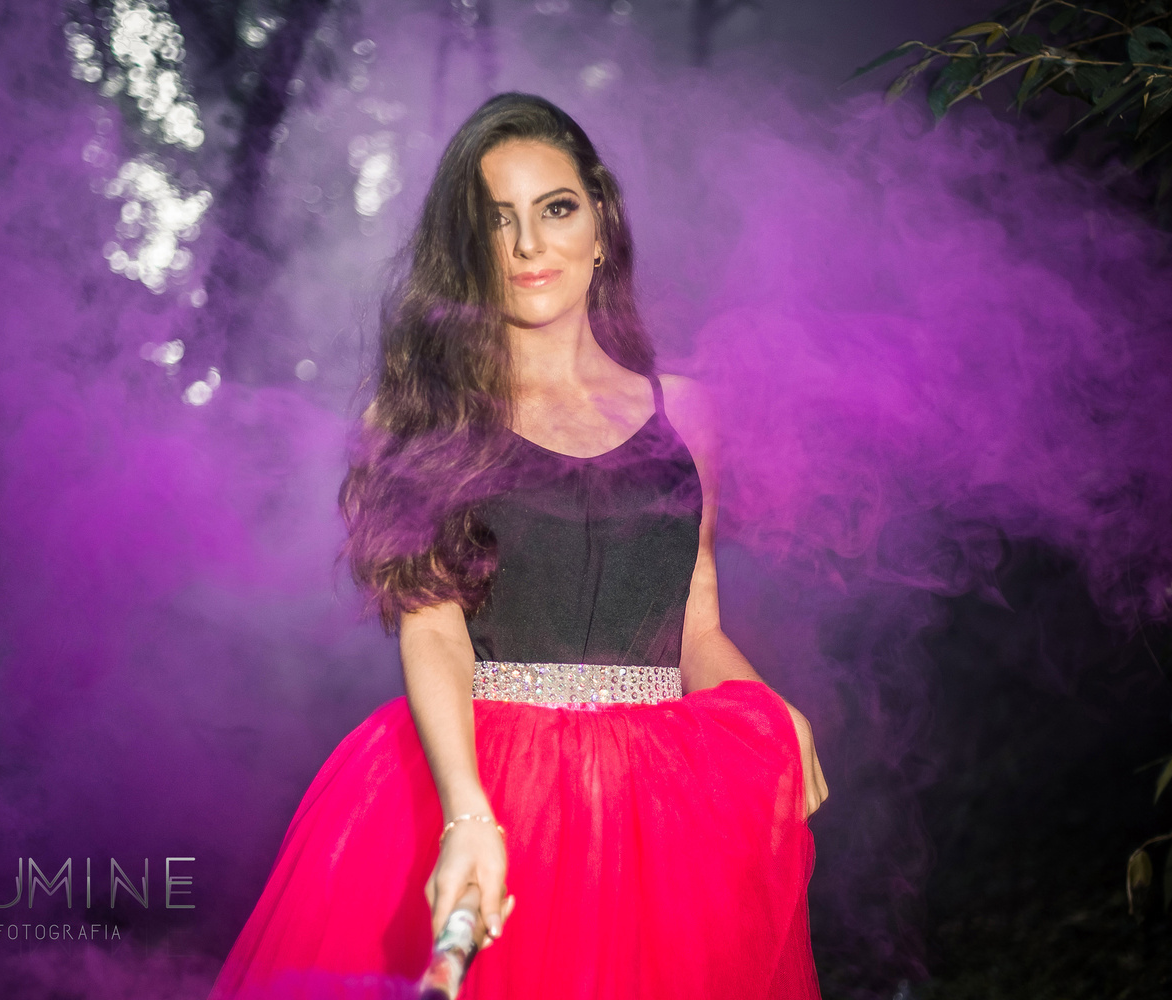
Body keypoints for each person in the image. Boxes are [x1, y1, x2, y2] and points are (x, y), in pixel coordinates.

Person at [208, 91, 828, 1000]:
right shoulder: (422, 419)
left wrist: (763, 706)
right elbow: (433, 631)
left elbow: (695, 621)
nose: (530, 244)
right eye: (498, 220)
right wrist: (467, 814)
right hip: (495, 781)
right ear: (468, 248)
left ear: (601, 224)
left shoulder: (688, 414)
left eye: (556, 208)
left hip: (664, 815)